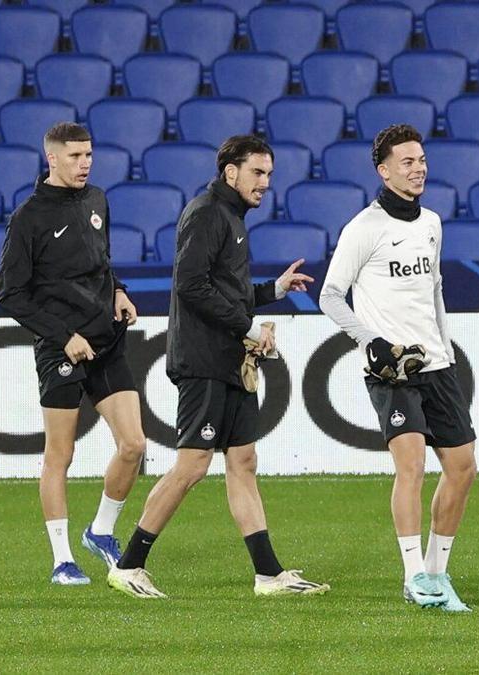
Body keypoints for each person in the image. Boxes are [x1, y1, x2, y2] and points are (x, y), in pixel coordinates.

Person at [107, 135, 327, 599]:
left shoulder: (230, 217)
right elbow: (190, 285)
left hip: (230, 359)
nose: (265, 183)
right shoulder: (207, 212)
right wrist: (247, 328)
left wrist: (272, 291)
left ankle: (268, 575)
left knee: (243, 461)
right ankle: (129, 565)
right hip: (205, 360)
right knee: (191, 465)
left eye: (269, 174)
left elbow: (224, 288)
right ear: (231, 171)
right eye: (257, 173)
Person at [320, 124, 477, 611]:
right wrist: (372, 342)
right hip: (392, 369)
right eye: (407, 162)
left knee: (463, 467)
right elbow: (329, 296)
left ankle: (436, 573)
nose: (419, 169)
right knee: (411, 465)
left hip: (436, 362)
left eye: (422, 160)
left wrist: (444, 349)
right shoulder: (362, 229)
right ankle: (414, 577)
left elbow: (434, 291)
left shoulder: (432, 222)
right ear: (384, 171)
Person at [0, 122, 146, 585]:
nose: (85, 163)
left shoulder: (97, 199)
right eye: (76, 156)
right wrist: (63, 336)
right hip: (61, 348)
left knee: (134, 446)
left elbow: (100, 259)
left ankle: (100, 531)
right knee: (59, 455)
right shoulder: (29, 218)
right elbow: (10, 293)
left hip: (105, 340)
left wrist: (118, 289)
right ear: (52, 159)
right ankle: (62, 560)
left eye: (89, 155)